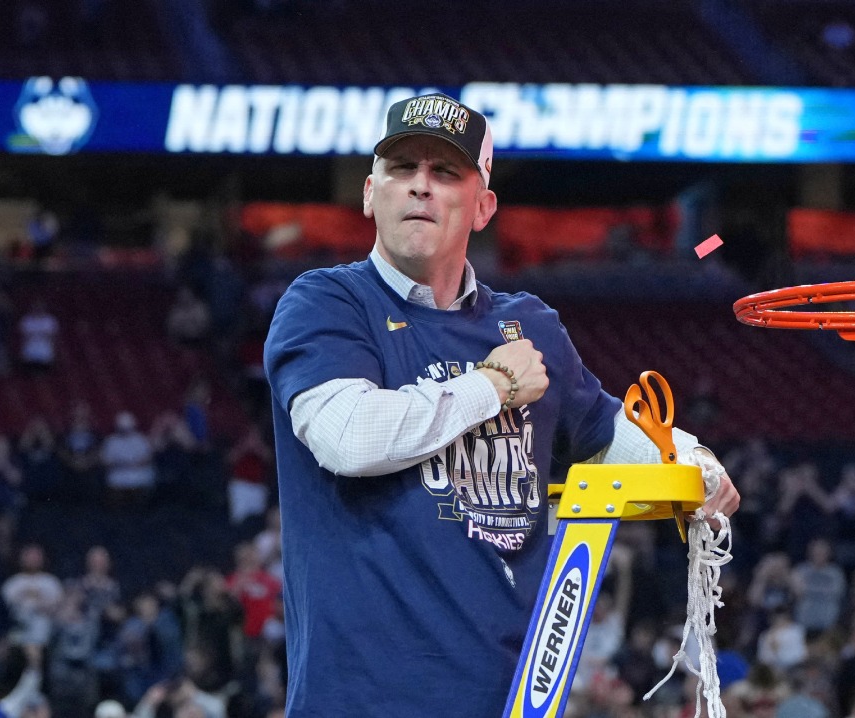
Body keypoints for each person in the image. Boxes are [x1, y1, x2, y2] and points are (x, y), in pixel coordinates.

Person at [262, 92, 741, 715]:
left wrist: (694, 462)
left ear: (484, 206)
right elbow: (348, 438)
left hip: (512, 700)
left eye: (445, 172)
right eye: (402, 168)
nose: (420, 186)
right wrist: (492, 387)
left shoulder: (530, 325)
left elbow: (607, 431)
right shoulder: (326, 303)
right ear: (370, 193)